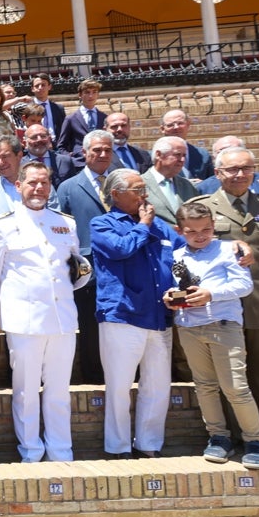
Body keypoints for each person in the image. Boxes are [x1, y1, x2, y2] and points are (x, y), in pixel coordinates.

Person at [189, 146, 259, 449]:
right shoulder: (202, 208)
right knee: (225, 379)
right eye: (232, 169)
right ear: (218, 173)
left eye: (246, 168)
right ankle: (230, 438)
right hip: (220, 309)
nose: (240, 175)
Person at [0, 162, 91, 463]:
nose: (39, 188)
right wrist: (15, 306)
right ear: (19, 186)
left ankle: (60, 452)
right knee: (27, 391)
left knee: (58, 391)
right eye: (32, 182)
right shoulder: (3, 224)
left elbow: (77, 268)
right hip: (24, 321)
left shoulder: (64, 223)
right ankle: (30, 451)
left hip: (62, 319)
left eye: (44, 182)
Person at [166, 202, 259, 469]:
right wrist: (170, 297)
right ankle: (218, 437)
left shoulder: (227, 250)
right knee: (205, 386)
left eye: (207, 229)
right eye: (192, 231)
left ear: (214, 227)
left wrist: (212, 294)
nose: (200, 235)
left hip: (223, 325)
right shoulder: (177, 255)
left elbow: (244, 285)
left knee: (235, 387)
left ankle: (255, 442)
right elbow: (176, 286)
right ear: (179, 230)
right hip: (189, 327)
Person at [91, 170, 176, 458]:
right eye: (137, 190)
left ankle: (149, 444)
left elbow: (183, 251)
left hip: (159, 314)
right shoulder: (102, 223)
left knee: (158, 385)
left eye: (145, 189)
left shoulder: (160, 226)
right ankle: (118, 448)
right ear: (116, 194)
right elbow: (119, 249)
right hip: (123, 314)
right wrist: (143, 225)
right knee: (119, 385)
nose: (145, 196)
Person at [56, 130, 115, 384]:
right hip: (88, 273)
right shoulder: (68, 187)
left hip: (120, 271)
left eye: (107, 150)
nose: (102, 155)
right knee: (90, 331)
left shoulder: (121, 182)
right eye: (97, 150)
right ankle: (94, 381)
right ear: (84, 153)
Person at [195, 136, 259, 198]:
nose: (240, 175)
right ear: (214, 157)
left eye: (235, 149)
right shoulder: (203, 187)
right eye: (223, 151)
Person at [142, 136, 198, 224]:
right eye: (177, 155)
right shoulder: (140, 184)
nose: (182, 160)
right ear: (159, 155)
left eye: (184, 155)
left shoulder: (187, 185)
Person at [55, 79, 107, 163]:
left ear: (98, 94)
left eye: (94, 92)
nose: (91, 96)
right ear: (80, 95)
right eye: (87, 92)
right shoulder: (71, 119)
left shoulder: (104, 117)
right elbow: (61, 146)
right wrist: (70, 157)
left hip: (101, 162)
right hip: (79, 163)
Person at [160, 108, 213, 181]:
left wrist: (203, 184)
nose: (176, 127)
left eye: (180, 123)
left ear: (188, 125)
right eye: (170, 125)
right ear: (162, 129)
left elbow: (212, 182)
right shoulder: (153, 157)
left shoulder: (203, 155)